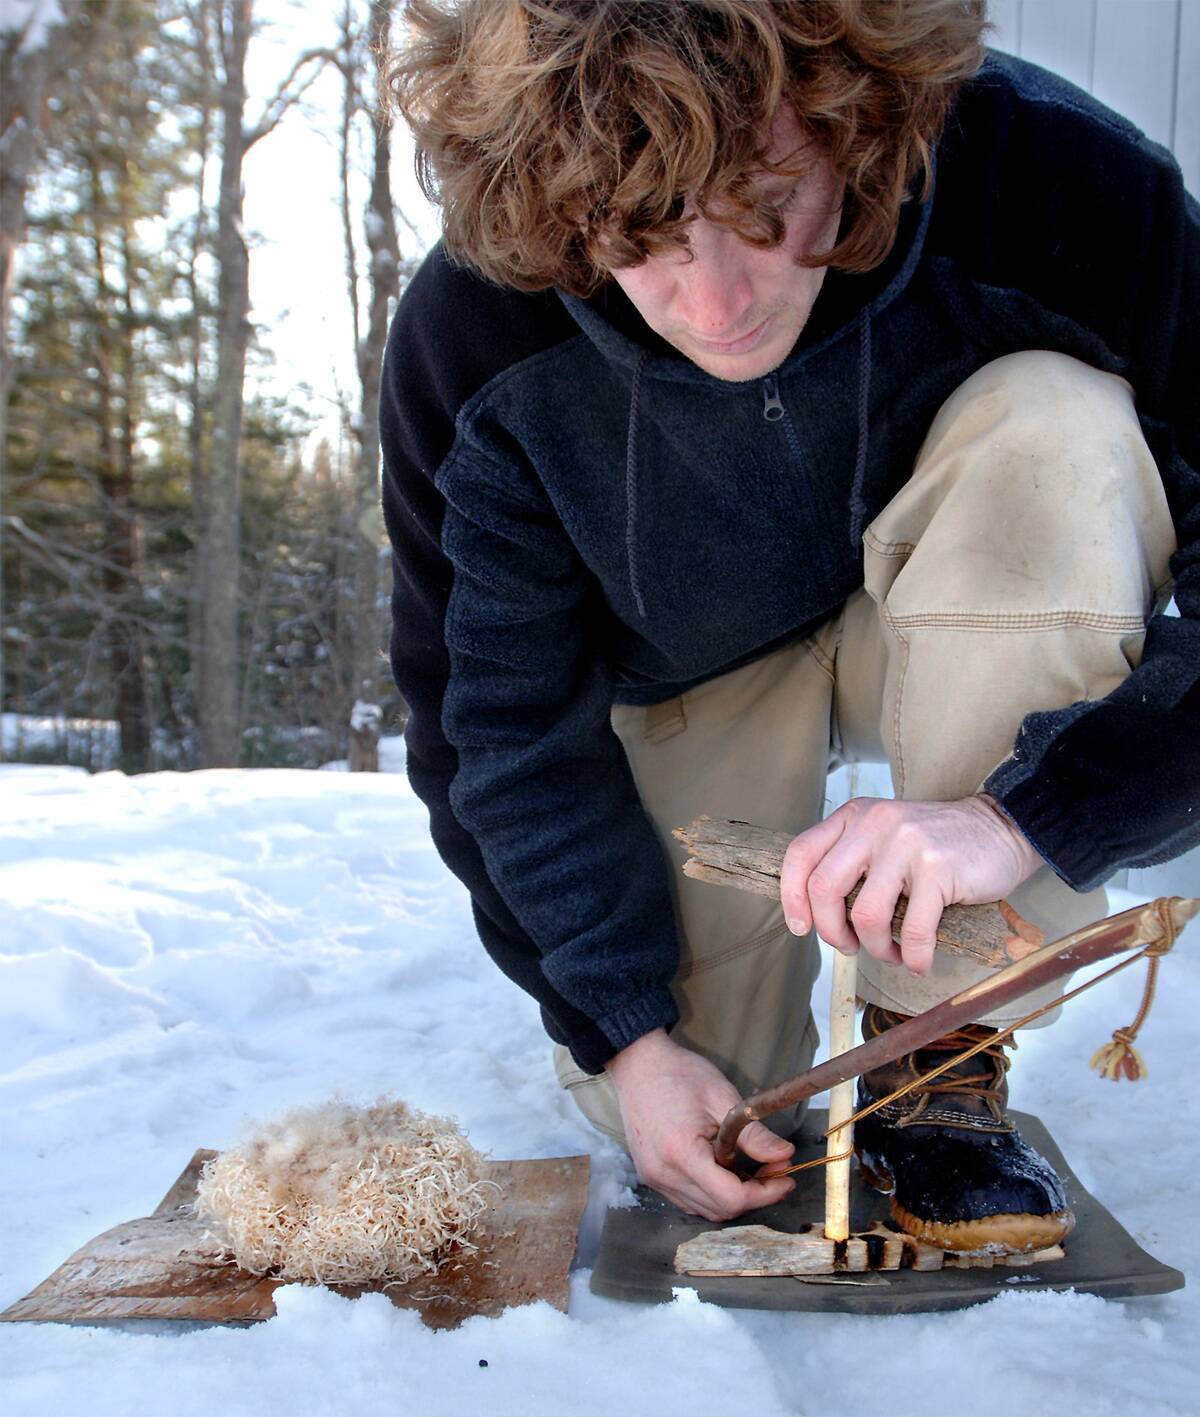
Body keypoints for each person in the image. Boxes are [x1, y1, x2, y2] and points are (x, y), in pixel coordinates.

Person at [379, 0, 1198, 1248]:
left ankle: (940, 1061)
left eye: (767, 209)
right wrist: (627, 1033)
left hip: (958, 585)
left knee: (1063, 421)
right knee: (725, 1098)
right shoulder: (477, 333)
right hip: (680, 669)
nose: (714, 306)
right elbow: (491, 726)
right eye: (643, 237)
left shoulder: (1070, 193)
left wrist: (1024, 814)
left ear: (861, 127)